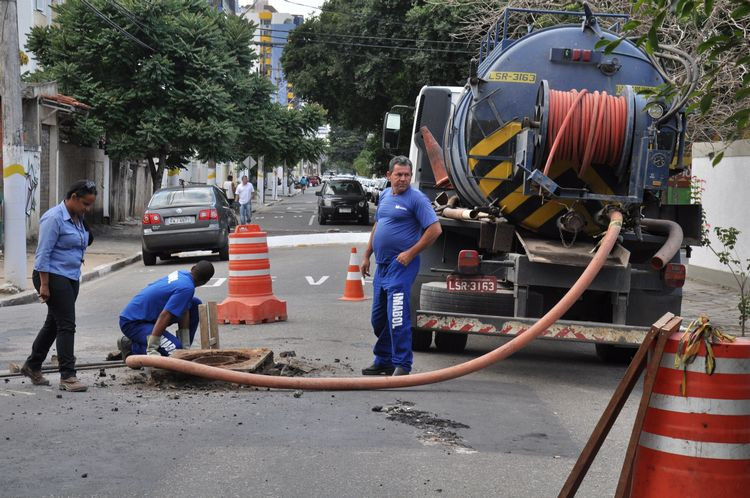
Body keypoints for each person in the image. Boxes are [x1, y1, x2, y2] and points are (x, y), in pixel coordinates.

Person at [360, 156, 442, 376]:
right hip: (382, 266)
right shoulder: (386, 195)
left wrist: (410, 252)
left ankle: (402, 364)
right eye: (399, 174)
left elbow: (435, 230)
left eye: (407, 175)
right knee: (378, 319)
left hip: (402, 266)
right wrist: (367, 254)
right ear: (389, 176)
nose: (403, 179)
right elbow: (378, 224)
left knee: (397, 317)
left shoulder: (417, 199)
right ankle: (384, 360)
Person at [20, 180, 98, 392]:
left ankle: (32, 365)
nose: (87, 209)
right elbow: (42, 254)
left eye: (90, 204)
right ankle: (68, 376)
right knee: (66, 325)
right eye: (85, 203)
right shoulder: (53, 218)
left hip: (70, 276)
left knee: (54, 324)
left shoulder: (78, 217)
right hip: (51, 276)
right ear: (73, 197)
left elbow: (85, 240)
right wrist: (44, 285)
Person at [117, 261, 215, 358]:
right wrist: (152, 347)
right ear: (204, 282)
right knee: (173, 351)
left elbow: (185, 309)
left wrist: (185, 346)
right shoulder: (187, 288)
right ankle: (132, 347)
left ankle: (178, 346)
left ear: (193, 268)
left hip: (145, 318)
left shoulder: (182, 274)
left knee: (195, 304)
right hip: (134, 323)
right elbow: (165, 315)